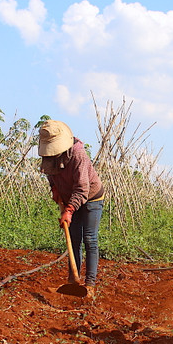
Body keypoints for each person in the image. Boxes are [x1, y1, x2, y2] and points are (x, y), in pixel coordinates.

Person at [38, 120, 105, 297]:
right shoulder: (49, 157)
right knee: (74, 239)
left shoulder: (78, 155)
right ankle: (72, 281)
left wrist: (69, 211)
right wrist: (54, 190)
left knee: (90, 239)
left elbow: (82, 188)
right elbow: (50, 176)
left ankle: (89, 285)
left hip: (91, 197)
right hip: (68, 198)